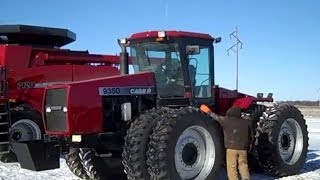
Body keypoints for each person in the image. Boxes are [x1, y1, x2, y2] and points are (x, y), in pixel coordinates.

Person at [200, 105, 251, 180]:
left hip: (231, 149)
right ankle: (246, 178)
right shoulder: (245, 122)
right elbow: (250, 135)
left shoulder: (226, 120)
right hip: (243, 149)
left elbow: (216, 117)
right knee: (243, 165)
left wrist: (208, 111)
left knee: (231, 166)